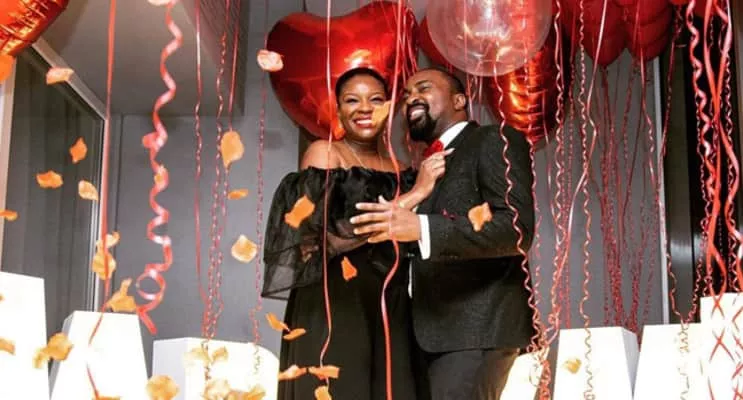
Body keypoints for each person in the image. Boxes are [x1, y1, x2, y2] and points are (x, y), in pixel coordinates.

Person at [351, 67, 536, 400]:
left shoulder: (493, 139)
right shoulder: (422, 167)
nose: (412, 99)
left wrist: (422, 228)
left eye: (423, 88)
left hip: (475, 331)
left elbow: (516, 228)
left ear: (459, 100)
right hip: (427, 333)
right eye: (407, 95)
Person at [262, 67, 446, 400]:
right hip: (336, 303)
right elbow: (323, 238)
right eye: (352, 100)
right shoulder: (325, 153)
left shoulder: (404, 169)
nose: (364, 108)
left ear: (389, 108)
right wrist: (415, 195)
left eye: (375, 99)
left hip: (392, 308)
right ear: (338, 109)